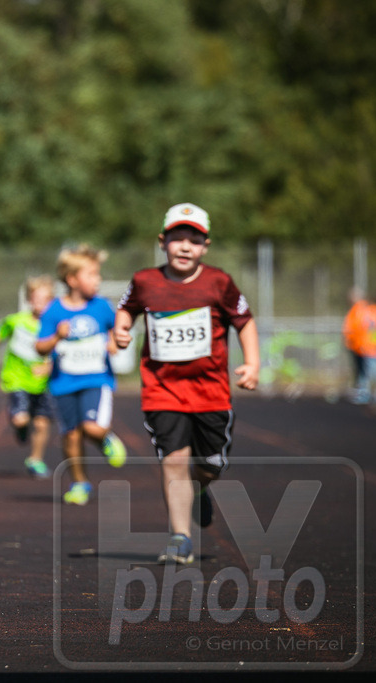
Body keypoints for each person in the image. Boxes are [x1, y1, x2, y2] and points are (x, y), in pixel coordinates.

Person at [114, 202, 260, 565]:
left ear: (205, 246)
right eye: (177, 238)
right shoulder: (145, 281)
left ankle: (201, 487)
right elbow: (127, 309)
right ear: (162, 241)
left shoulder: (219, 282)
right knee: (174, 460)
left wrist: (252, 363)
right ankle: (180, 537)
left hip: (211, 392)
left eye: (194, 240)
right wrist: (120, 330)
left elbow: (244, 321)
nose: (184, 246)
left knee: (210, 465)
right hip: (162, 389)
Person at [36, 244, 127, 506]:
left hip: (96, 379)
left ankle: (104, 437)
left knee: (91, 428)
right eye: (92, 274)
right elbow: (40, 345)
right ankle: (80, 482)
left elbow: (116, 329)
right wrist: (56, 337)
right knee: (71, 435)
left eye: (98, 274)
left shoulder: (101, 306)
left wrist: (114, 342)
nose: (98, 280)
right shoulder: (54, 310)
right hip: (63, 383)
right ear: (72, 279)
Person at [0, 276, 57, 477]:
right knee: (21, 419)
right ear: (29, 299)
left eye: (45, 299)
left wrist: (50, 368)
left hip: (44, 383)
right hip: (17, 379)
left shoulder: (56, 325)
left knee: (43, 423)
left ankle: (35, 460)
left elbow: (62, 351)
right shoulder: (15, 321)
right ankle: (20, 426)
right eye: (36, 298)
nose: (40, 303)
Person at [342, 287, 376, 405]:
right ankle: (374, 396)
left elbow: (352, 329)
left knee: (365, 373)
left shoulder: (358, 311)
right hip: (371, 347)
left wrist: (352, 343)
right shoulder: (374, 310)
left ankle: (366, 395)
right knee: (372, 373)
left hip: (363, 347)